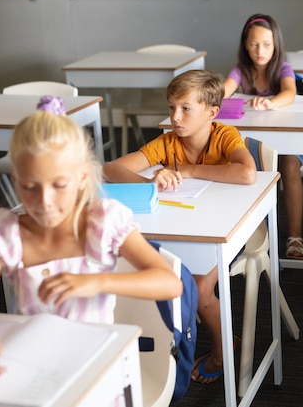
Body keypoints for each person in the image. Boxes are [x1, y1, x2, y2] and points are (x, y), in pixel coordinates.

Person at [0, 96, 183, 380]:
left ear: (82, 178)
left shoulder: (103, 221)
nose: (44, 201)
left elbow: (169, 283)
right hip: (36, 366)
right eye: (30, 187)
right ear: (16, 181)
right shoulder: (4, 230)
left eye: (59, 185)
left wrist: (94, 282)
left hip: (97, 366)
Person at [103, 69, 257, 384]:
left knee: (199, 288)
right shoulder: (167, 142)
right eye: (172, 107)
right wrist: (151, 183)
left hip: (231, 228)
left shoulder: (224, 135)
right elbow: (111, 168)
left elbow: (247, 174)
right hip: (187, 225)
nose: (175, 116)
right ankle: (163, 343)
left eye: (186, 108)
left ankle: (223, 347)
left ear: (211, 113)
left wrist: (188, 169)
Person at [223, 13, 303, 260]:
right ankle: (248, 235)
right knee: (239, 167)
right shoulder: (241, 70)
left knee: (290, 166)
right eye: (254, 44)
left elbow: (290, 93)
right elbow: (225, 90)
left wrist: (270, 102)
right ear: (245, 44)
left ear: (276, 45)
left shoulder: (283, 68)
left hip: (287, 140)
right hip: (258, 142)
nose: (260, 50)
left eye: (267, 45)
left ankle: (295, 237)